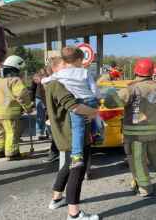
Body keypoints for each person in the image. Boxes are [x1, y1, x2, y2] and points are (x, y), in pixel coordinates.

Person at [44, 56, 100, 220]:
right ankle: (74, 214)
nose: (71, 68)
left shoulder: (52, 84)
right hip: (74, 135)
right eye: (65, 64)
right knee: (77, 170)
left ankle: (56, 199)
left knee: (67, 167)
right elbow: (75, 107)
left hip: (66, 134)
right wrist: (94, 113)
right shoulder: (59, 84)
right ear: (56, 67)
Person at [119, 58, 156, 197]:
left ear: (135, 71)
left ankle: (145, 188)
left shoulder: (131, 89)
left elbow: (111, 102)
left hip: (136, 135)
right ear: (152, 72)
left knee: (138, 160)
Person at [42, 47, 101, 167]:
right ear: (79, 59)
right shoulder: (85, 71)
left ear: (64, 60)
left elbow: (46, 80)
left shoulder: (60, 74)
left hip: (77, 102)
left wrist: (43, 80)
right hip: (89, 99)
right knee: (95, 116)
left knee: (77, 129)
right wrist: (97, 97)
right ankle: (96, 133)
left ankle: (77, 157)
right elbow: (94, 88)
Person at [0, 55, 34, 160]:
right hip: (9, 113)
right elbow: (22, 95)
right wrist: (28, 108)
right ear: (15, 67)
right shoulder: (14, 80)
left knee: (1, 132)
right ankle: (12, 153)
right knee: (12, 133)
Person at [31, 69, 48, 140]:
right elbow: (33, 89)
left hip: (47, 97)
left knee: (47, 116)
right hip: (39, 97)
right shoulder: (36, 77)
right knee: (40, 116)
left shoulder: (50, 75)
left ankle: (47, 132)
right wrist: (32, 100)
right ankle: (39, 133)